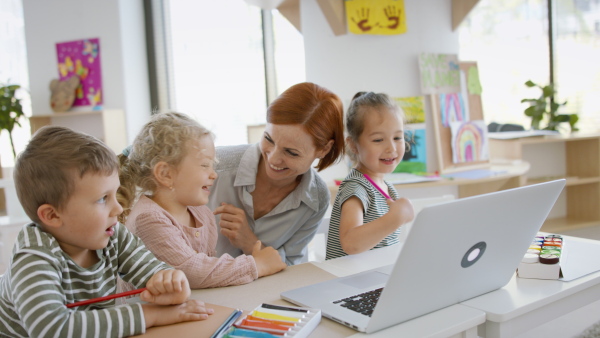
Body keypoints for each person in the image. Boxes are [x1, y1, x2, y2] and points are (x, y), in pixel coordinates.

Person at [0, 126, 212, 337]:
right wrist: (150, 315)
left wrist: (171, 282)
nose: (118, 209)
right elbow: (52, 329)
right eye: (103, 199)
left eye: (115, 193)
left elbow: (153, 270)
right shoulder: (33, 258)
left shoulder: (112, 234)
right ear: (52, 215)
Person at [118, 112, 286, 289]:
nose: (214, 174)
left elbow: (206, 275)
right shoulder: (148, 219)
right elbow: (192, 273)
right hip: (145, 314)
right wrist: (256, 265)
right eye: (205, 165)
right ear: (165, 174)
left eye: (213, 165)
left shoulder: (201, 213)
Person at [208, 82, 345, 265]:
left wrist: (251, 243)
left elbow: (289, 267)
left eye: (291, 152)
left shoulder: (317, 198)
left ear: (324, 149)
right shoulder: (215, 165)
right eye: (268, 139)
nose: (273, 159)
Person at [326, 92, 415, 260]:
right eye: (378, 140)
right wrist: (396, 217)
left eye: (397, 137)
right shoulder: (356, 187)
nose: (391, 148)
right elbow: (351, 243)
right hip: (353, 284)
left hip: (376, 279)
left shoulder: (386, 188)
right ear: (353, 145)